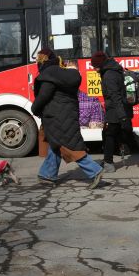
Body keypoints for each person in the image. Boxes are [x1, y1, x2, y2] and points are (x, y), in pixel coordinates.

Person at [31, 48, 104, 189]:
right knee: (56, 144)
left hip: (56, 117)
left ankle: (95, 171)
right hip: (67, 115)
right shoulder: (63, 74)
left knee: (69, 147)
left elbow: (43, 96)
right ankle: (47, 175)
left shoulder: (48, 75)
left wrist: (34, 109)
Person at [90, 51, 139, 173]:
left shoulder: (109, 75)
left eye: (95, 66)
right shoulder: (114, 70)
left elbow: (115, 97)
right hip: (121, 109)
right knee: (125, 135)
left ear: (100, 64)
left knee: (109, 134)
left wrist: (123, 117)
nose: (94, 69)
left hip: (116, 111)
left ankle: (108, 163)